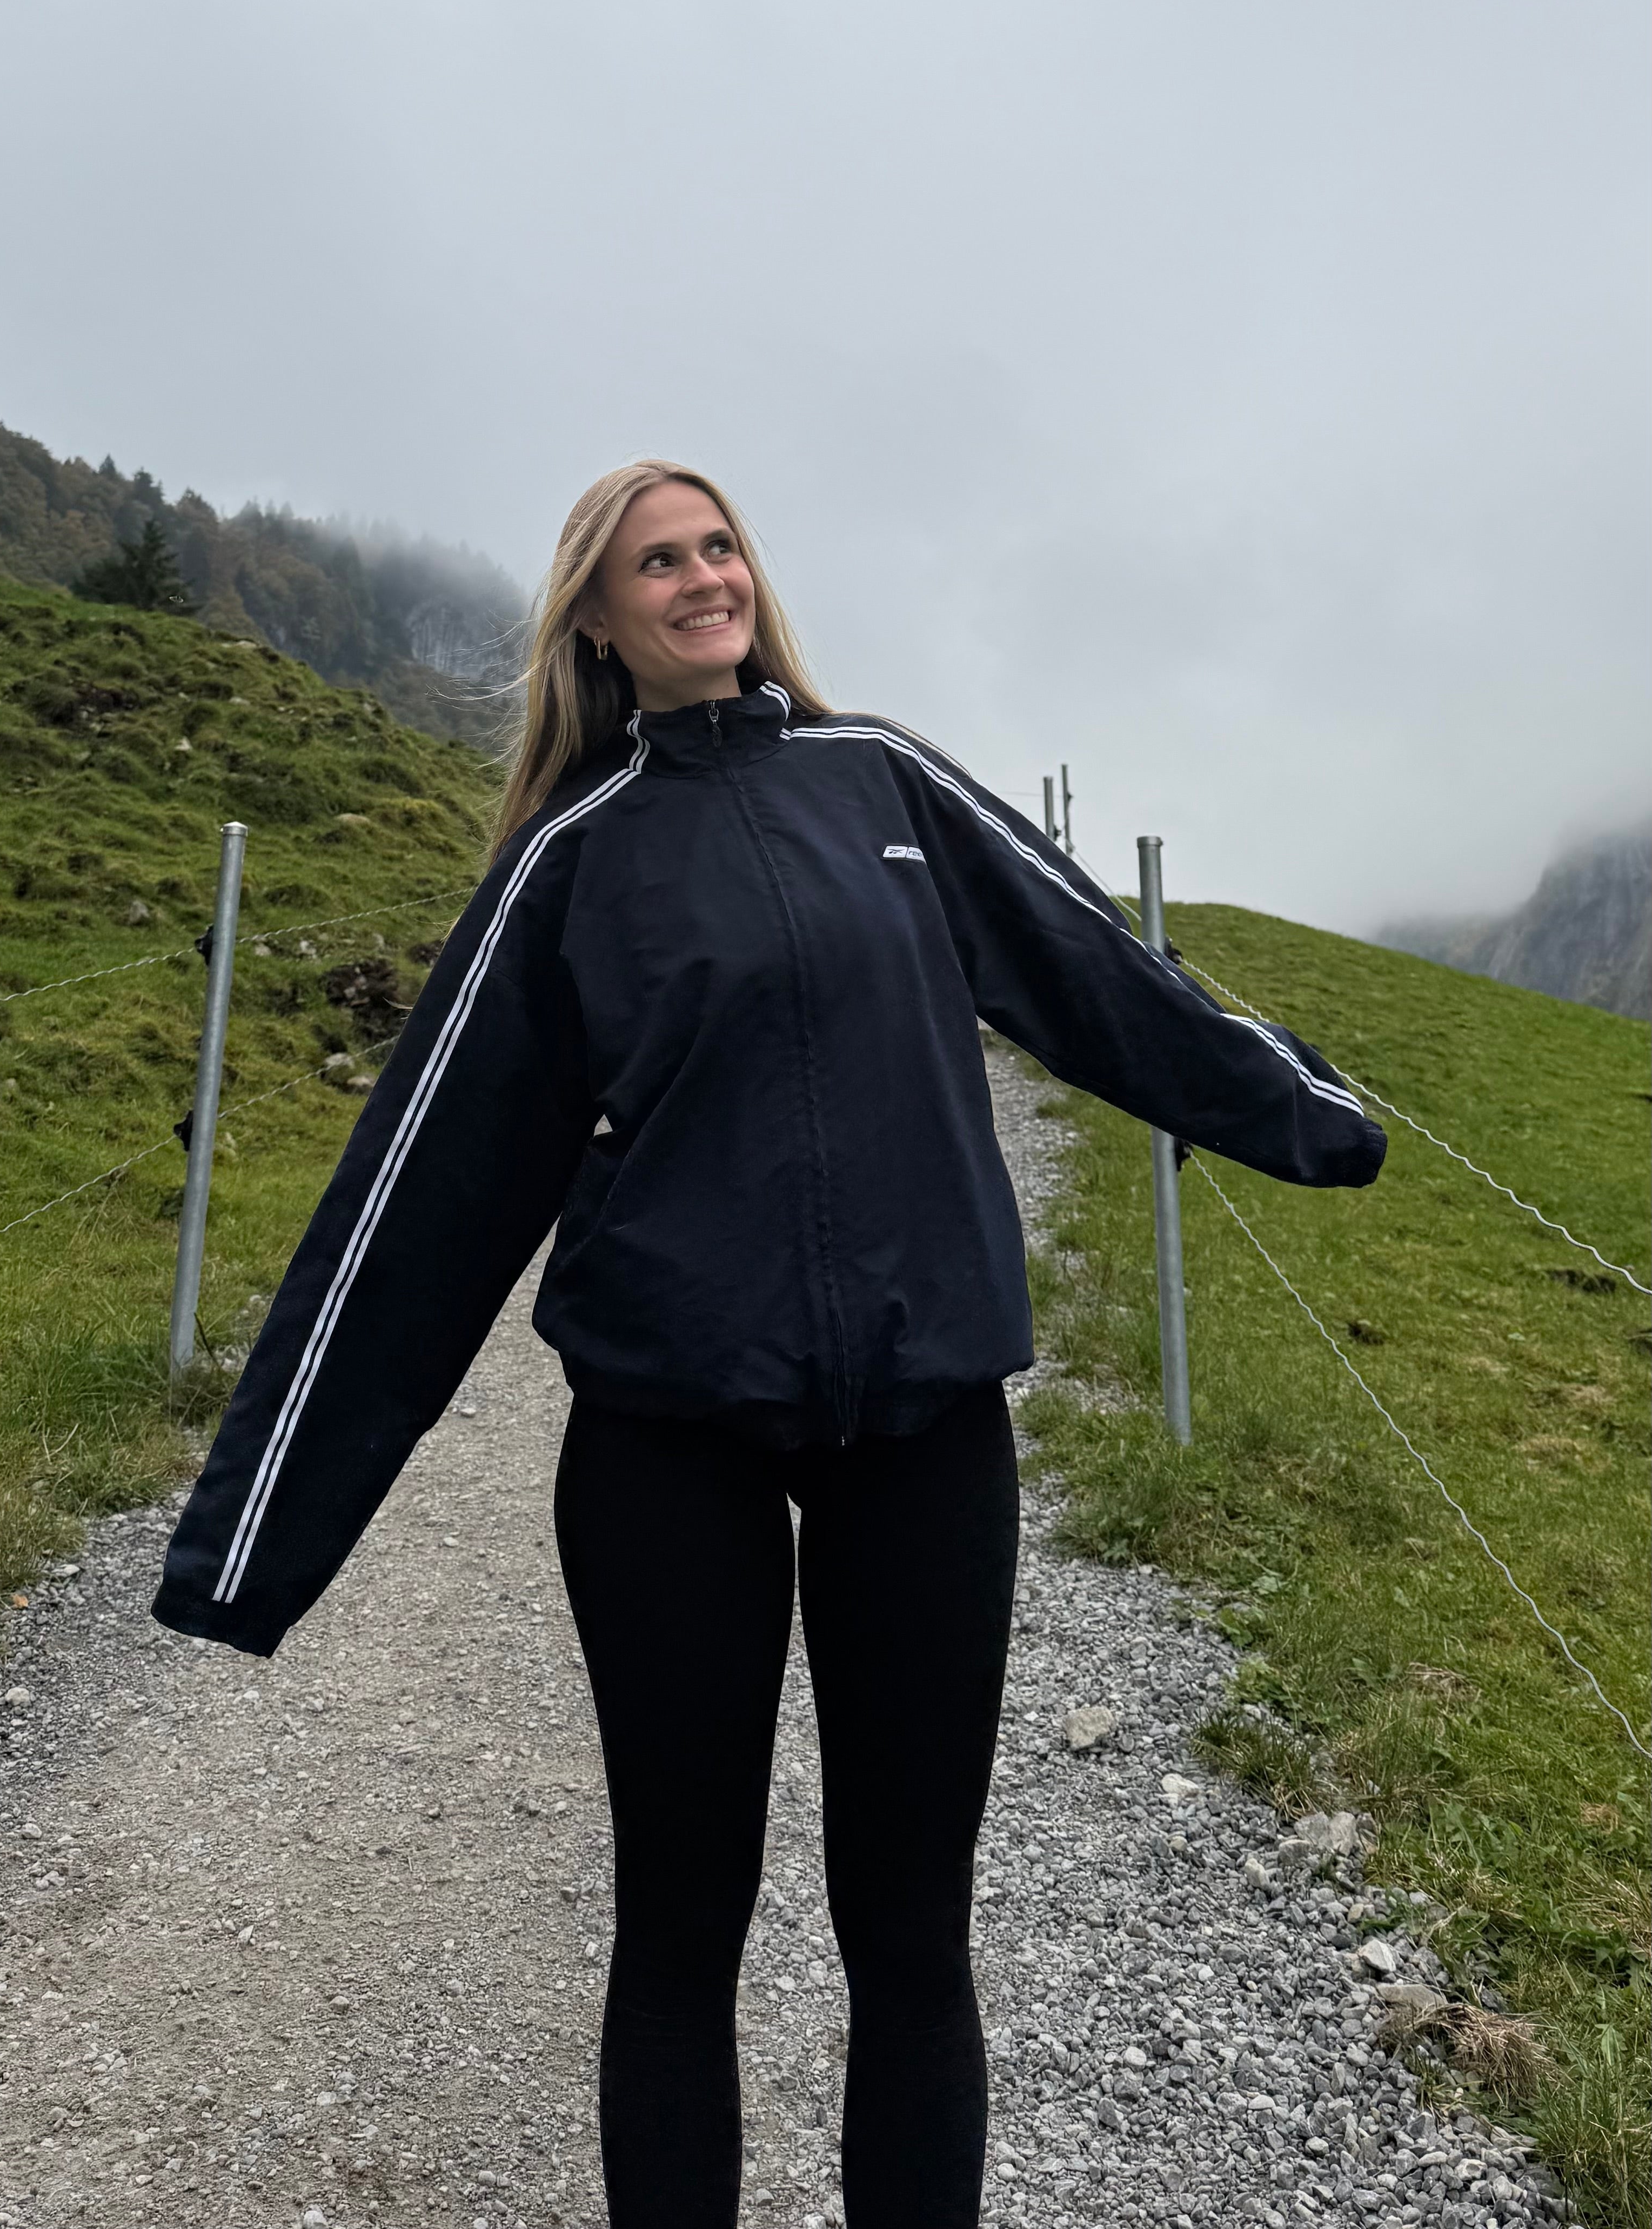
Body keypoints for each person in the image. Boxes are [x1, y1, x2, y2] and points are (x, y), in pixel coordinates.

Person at [153, 458, 1386, 2228]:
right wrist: (250, 1545)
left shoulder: (881, 778)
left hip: (926, 1435)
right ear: (597, 619)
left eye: (718, 546)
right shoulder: (569, 863)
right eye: (656, 562)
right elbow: (419, 1204)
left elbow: (1096, 975)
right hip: (670, 1451)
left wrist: (1308, 1115)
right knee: (680, 1926)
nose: (701, 579)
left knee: (912, 1932)